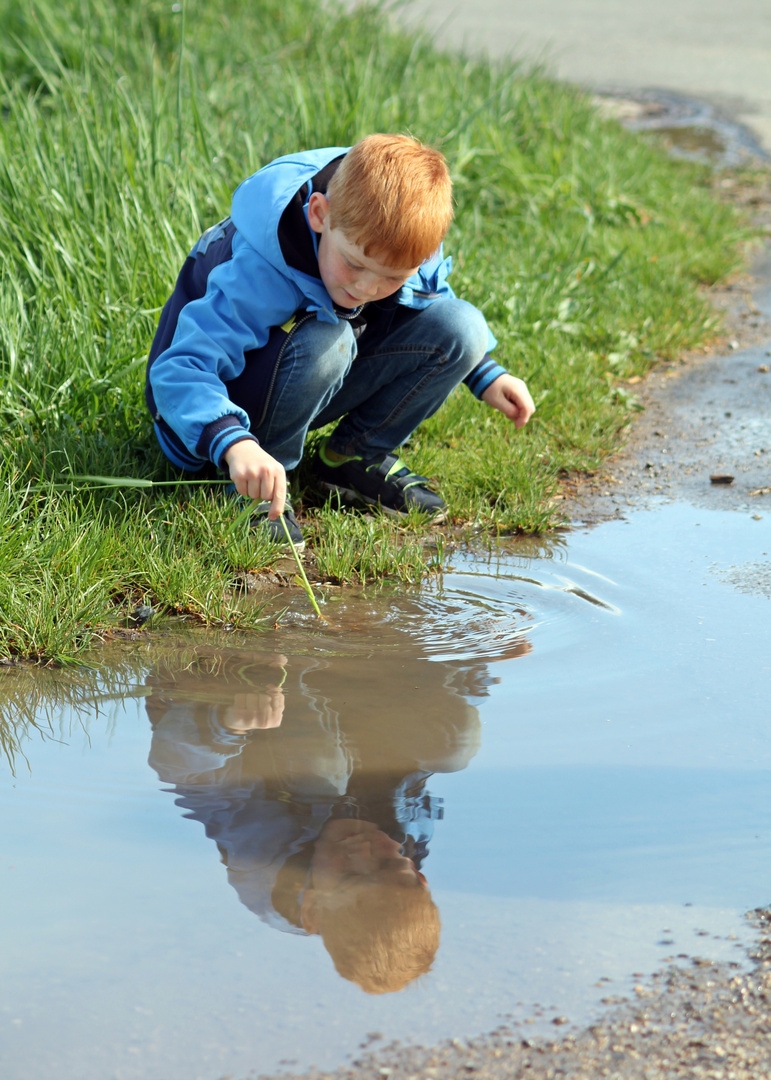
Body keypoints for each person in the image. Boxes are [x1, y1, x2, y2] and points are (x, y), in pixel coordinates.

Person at [146, 134, 535, 548]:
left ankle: (352, 457)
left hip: (303, 374)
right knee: (331, 338)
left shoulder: (395, 238)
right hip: (208, 412)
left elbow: (430, 301)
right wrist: (234, 442)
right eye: (353, 263)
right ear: (319, 214)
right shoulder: (259, 268)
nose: (366, 287)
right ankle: (258, 483)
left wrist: (484, 372)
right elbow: (178, 369)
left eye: (391, 277)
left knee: (465, 328)